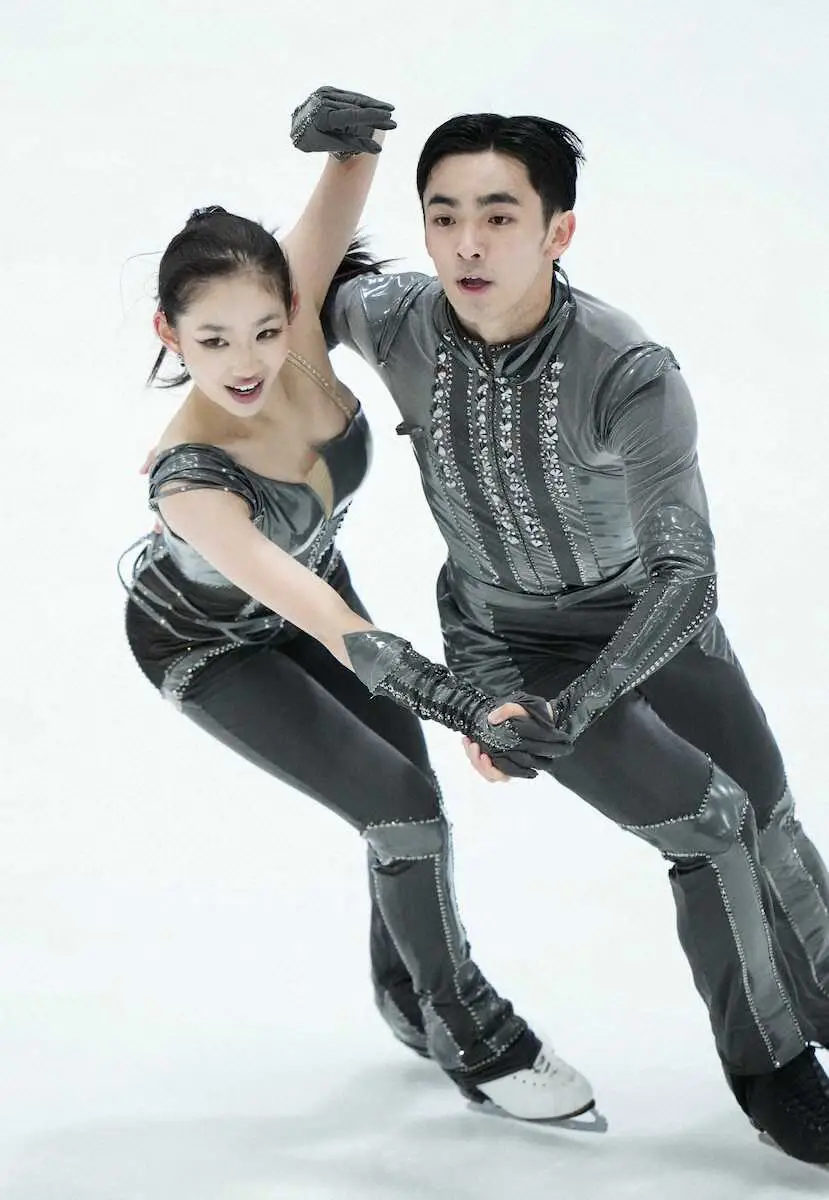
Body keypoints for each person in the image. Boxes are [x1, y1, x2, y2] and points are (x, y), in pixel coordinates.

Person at [314, 106, 829, 1164]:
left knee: (769, 816)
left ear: (559, 231)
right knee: (710, 826)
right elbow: (279, 287)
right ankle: (773, 1074)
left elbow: (687, 574)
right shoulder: (397, 319)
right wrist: (341, 161)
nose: (467, 243)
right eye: (443, 216)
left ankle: (819, 1000)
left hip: (651, 621)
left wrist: (588, 703)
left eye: (499, 216)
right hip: (510, 644)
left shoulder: (629, 368)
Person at [119, 87, 595, 1123]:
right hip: (210, 643)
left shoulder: (289, 325)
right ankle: (473, 1032)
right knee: (402, 806)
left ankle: (405, 994)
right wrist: (467, 702)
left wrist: (351, 135)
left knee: (405, 797)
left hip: (313, 585)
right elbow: (332, 626)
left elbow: (345, 178)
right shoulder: (190, 483)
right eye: (212, 341)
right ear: (169, 333)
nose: (247, 361)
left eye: (264, 328)